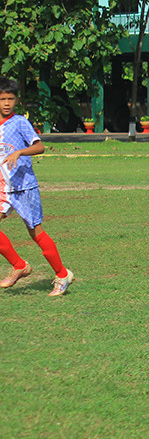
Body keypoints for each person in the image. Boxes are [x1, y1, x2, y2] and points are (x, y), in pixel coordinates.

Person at [0, 77, 74, 296]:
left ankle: (62, 275)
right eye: (2, 99)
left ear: (17, 100)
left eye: (10, 99)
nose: (6, 103)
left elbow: (40, 146)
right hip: (3, 187)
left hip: (24, 187)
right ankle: (19, 265)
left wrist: (20, 152)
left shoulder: (20, 122)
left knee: (36, 233)